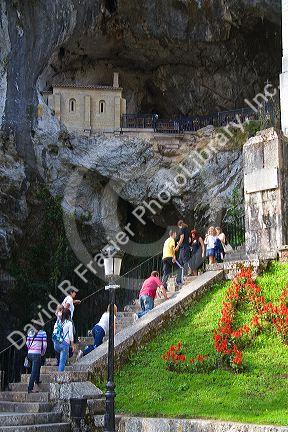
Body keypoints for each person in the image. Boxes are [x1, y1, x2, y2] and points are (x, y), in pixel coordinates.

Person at [26, 324, 47, 394]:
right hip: (37, 353)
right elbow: (44, 345)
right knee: (34, 371)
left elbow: (27, 343)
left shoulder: (30, 332)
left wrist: (30, 349)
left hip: (29, 354)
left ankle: (37, 380)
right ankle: (30, 388)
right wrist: (43, 352)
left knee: (37, 365)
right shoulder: (43, 333)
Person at [175, 220, 190, 287]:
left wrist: (178, 245)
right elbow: (189, 239)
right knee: (180, 261)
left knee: (183, 260)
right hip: (185, 247)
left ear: (179, 225)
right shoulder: (187, 229)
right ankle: (180, 277)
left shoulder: (182, 229)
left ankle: (186, 274)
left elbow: (182, 238)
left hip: (183, 248)